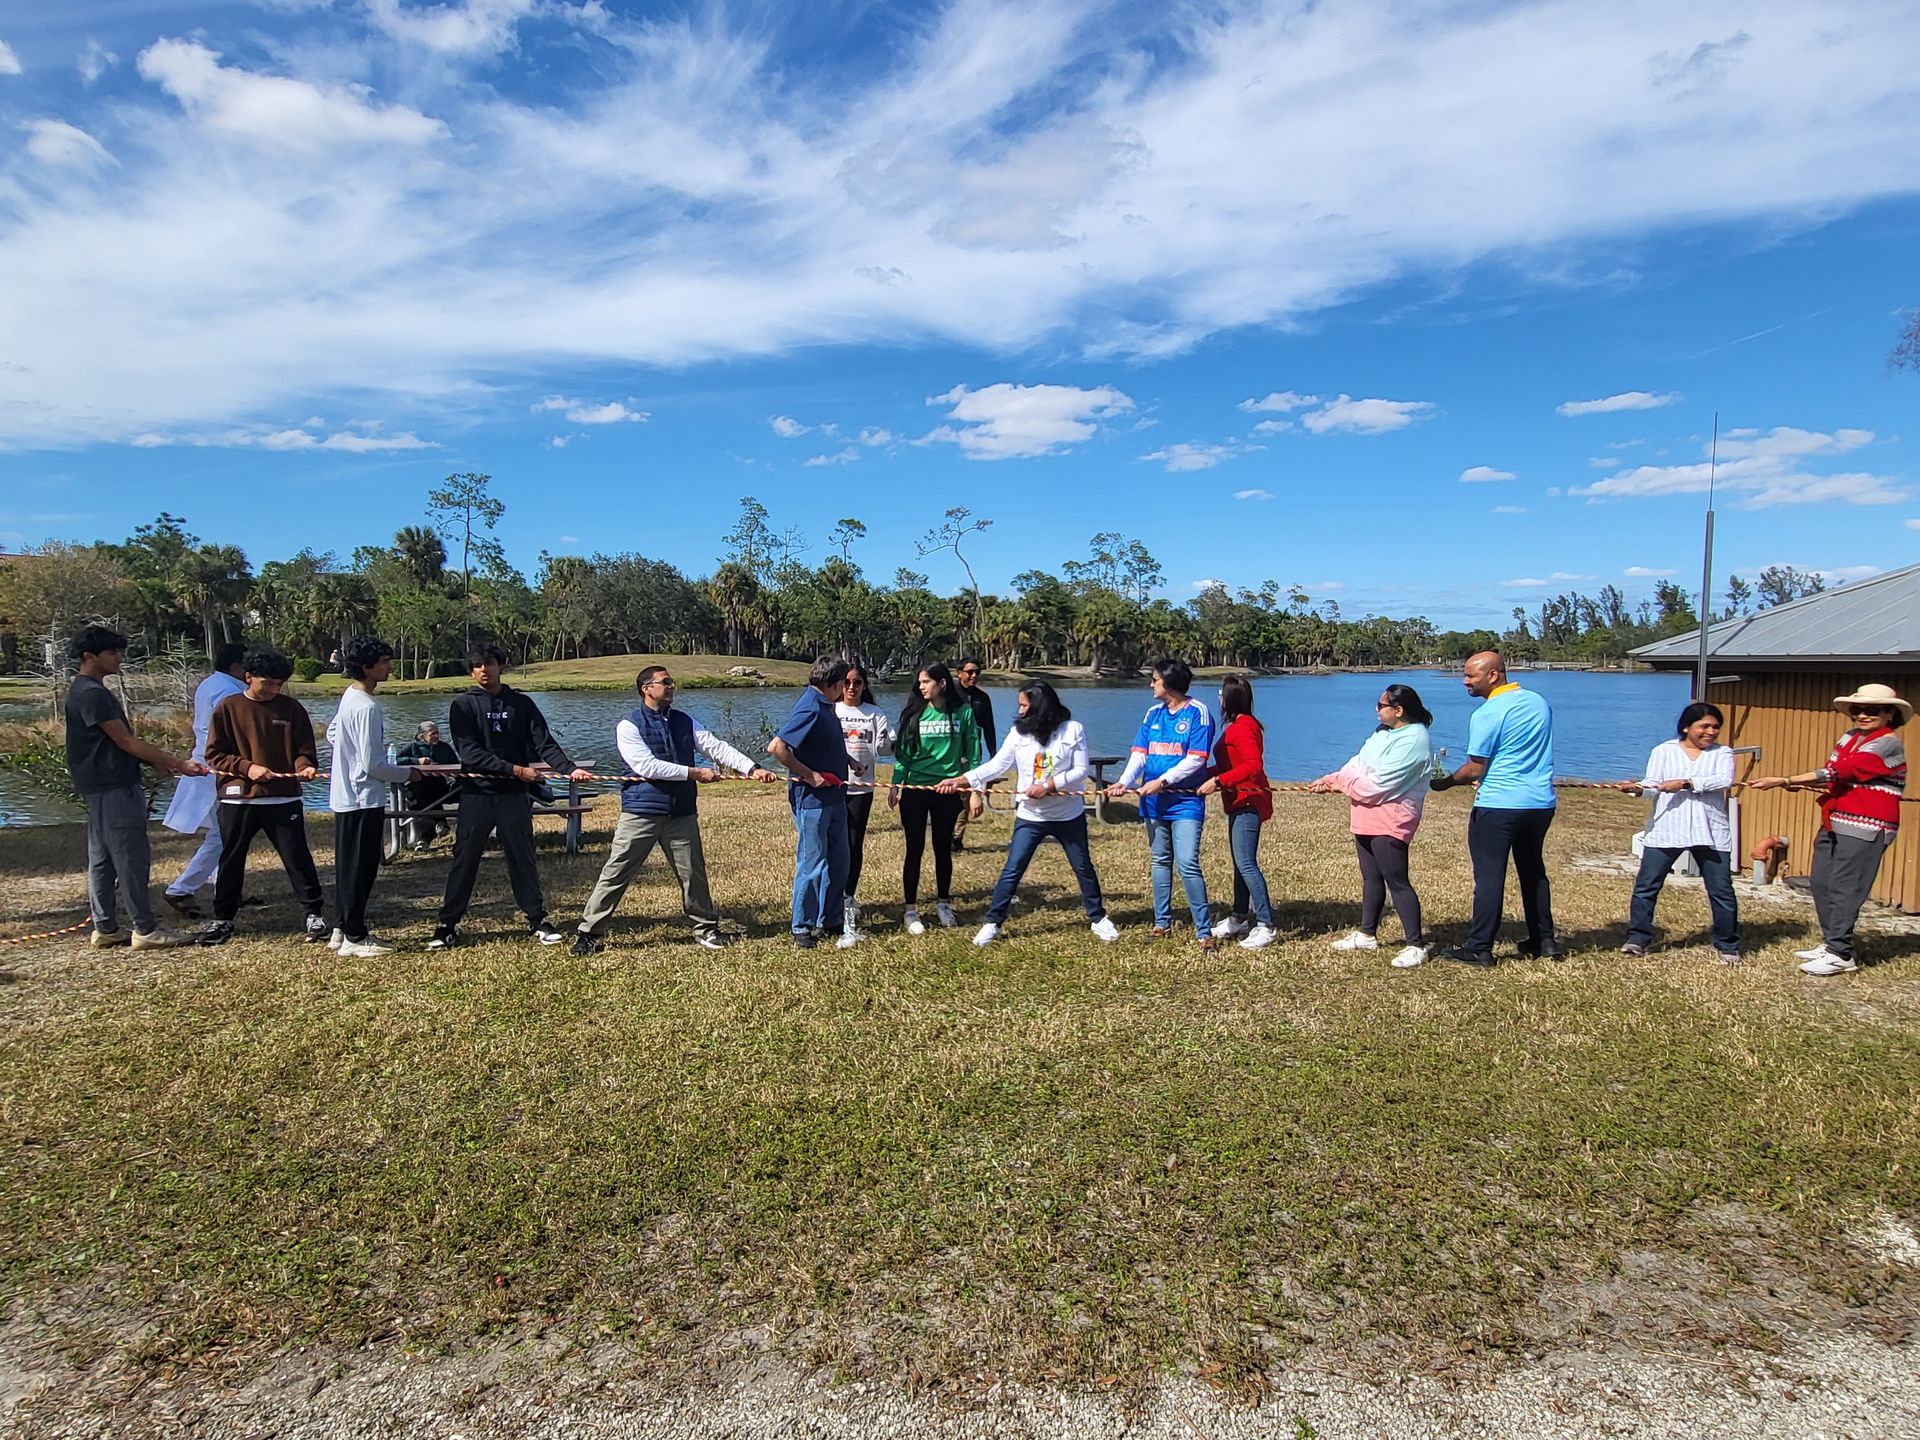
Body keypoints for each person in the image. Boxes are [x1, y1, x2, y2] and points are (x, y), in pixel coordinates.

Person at [571, 665, 779, 955]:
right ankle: (589, 933)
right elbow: (646, 766)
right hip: (641, 812)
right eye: (665, 682)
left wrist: (752, 768)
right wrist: (694, 773)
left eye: (672, 682)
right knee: (616, 872)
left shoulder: (685, 721)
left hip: (681, 812)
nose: (671, 686)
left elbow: (716, 747)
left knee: (693, 874)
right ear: (647, 688)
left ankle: (706, 929)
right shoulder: (628, 725)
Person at [429, 645, 593, 949]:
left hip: (513, 797)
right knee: (465, 858)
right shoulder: (463, 705)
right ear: (471, 671)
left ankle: (537, 920)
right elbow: (470, 753)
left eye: (488, 664)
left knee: (522, 857)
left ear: (501, 666)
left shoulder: (521, 703)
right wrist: (516, 770)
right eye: (476, 665)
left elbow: (544, 743)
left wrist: (569, 769)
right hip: (477, 795)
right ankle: (447, 925)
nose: (483, 670)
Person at [940, 681, 1117, 946]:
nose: (1020, 710)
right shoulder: (1018, 733)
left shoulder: (1072, 730)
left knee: (1083, 867)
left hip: (1068, 815)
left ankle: (1098, 918)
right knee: (1013, 869)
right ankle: (993, 923)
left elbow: (1080, 770)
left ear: (1041, 707)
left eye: (1024, 705)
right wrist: (963, 780)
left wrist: (1048, 786)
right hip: (1031, 816)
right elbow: (998, 765)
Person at [1750, 683, 1909, 976]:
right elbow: (1833, 775)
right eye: (1857, 710)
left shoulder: (1888, 743)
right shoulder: (1850, 737)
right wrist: (1803, 783)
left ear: (1889, 714)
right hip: (1835, 817)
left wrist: (1784, 780)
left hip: (1866, 823)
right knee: (1822, 881)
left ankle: (1841, 952)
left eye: (1871, 710)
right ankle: (1831, 941)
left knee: (1846, 886)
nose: (1862, 715)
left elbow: (1842, 772)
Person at [63, 625, 203, 950]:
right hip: (112, 786)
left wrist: (154, 762)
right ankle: (145, 929)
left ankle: (107, 927)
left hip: (101, 785)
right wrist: (178, 763)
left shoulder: (87, 690)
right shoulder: (92, 694)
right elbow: (124, 740)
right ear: (89, 657)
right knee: (130, 857)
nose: (118, 658)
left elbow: (113, 744)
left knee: (103, 858)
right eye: (111, 652)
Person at [1431, 651, 1558, 967]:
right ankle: (1544, 940)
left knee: (1489, 876)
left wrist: (1446, 783)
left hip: (1499, 804)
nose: (1464, 682)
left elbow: (1475, 768)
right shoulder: (1537, 702)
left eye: (1470, 676)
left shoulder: (1487, 713)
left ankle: (1479, 948)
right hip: (1539, 804)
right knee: (1533, 872)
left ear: (1493, 675)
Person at [197, 650, 328, 946]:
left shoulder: (291, 709)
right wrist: (248, 768)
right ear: (248, 678)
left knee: (297, 857)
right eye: (266, 684)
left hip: (283, 800)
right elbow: (214, 755)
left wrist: (304, 767)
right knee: (231, 859)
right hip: (238, 800)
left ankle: (313, 914)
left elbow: (304, 749)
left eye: (278, 685)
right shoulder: (228, 708)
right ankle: (223, 918)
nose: (272, 690)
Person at [1309, 683, 1436, 968]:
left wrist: (1344, 783)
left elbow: (1375, 786)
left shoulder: (1415, 739)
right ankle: (1367, 933)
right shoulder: (1382, 733)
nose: (1376, 710)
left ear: (1399, 710)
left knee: (1397, 881)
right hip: (1365, 816)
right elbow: (1357, 765)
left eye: (1381, 705)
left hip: (1391, 820)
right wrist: (1332, 779)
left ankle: (1415, 944)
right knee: (1371, 878)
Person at [1104, 658, 1216, 951]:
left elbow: (1196, 759)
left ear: (1169, 682)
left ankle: (1204, 931)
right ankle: (1161, 922)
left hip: (1185, 802)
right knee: (1160, 860)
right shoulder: (1153, 713)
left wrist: (1163, 781)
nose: (1151, 684)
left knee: (1188, 863)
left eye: (1154, 680)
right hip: (1153, 803)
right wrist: (1125, 782)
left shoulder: (1198, 713)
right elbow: (1140, 753)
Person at [1618, 702, 1740, 965]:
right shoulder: (1663, 751)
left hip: (1710, 832)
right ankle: (1637, 939)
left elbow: (1723, 780)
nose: (1710, 732)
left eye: (1715, 727)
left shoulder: (1723, 753)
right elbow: (1653, 785)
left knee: (1721, 890)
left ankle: (1727, 944)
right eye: (1704, 726)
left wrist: (1686, 783)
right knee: (1646, 886)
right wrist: (1638, 789)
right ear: (1686, 727)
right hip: (1667, 829)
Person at [325, 636, 420, 958]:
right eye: (383, 662)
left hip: (345, 796)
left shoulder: (349, 697)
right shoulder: (367, 707)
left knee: (346, 865)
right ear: (366, 667)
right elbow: (373, 764)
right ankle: (355, 936)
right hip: (363, 798)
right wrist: (409, 774)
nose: (388, 667)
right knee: (360, 869)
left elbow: (332, 734)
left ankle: (340, 928)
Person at [890, 661, 983, 933]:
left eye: (926, 682)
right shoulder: (913, 714)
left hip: (948, 791)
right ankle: (910, 910)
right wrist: (897, 785)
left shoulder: (963, 713)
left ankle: (943, 904)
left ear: (941, 683)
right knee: (914, 849)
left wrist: (974, 790)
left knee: (943, 848)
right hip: (916, 791)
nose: (921, 687)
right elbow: (903, 756)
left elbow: (974, 754)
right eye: (919, 682)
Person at [768, 655, 853, 949]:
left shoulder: (826, 706)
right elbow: (777, 748)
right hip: (812, 801)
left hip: (835, 798)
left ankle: (830, 919)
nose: (847, 688)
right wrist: (810, 775)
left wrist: (848, 759)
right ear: (836, 683)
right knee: (813, 863)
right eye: (844, 683)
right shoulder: (810, 707)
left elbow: (821, 743)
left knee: (839, 861)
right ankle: (801, 926)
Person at [159, 642, 248, 918]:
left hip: (207, 763)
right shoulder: (229, 691)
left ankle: (225, 887)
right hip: (217, 768)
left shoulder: (210, 683)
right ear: (235, 666)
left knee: (222, 833)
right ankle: (181, 888)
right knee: (224, 834)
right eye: (247, 665)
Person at [1199, 675, 1277, 951]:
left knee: (1246, 863)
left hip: (1248, 801)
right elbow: (1228, 765)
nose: (1218, 697)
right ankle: (1239, 917)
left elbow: (1253, 766)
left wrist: (1219, 782)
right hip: (1237, 800)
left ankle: (1266, 924)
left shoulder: (1243, 728)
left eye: (1221, 693)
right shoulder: (1236, 725)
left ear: (1229, 698)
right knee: (1239, 862)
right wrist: (1199, 777)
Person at [835, 663, 894, 942]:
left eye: (857, 683)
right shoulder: (832, 710)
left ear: (864, 685)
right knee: (833, 845)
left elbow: (883, 749)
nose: (851, 687)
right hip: (834, 788)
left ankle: (848, 897)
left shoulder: (875, 714)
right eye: (846, 682)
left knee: (854, 845)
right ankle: (831, 900)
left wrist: (888, 741)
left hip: (862, 790)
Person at [951, 658, 997, 851]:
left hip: (971, 753)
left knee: (965, 796)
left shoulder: (982, 698)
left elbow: (989, 728)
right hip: (949, 751)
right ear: (959, 673)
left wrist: (994, 755)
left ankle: (956, 837)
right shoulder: (950, 695)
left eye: (977, 672)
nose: (974, 676)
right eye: (970, 672)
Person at [396, 719, 458, 850]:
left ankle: (441, 831)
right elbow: (396, 760)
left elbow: (456, 765)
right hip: (419, 787)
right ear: (422, 736)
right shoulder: (411, 747)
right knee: (418, 796)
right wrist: (416, 760)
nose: (436, 736)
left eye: (437, 733)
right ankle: (437, 827)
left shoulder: (444, 748)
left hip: (440, 786)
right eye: (432, 734)